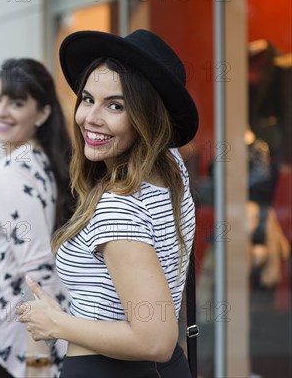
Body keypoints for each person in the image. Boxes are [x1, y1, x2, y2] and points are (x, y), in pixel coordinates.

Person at [16, 29, 198, 377]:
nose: (90, 118)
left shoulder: (118, 207)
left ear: (147, 117)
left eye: (115, 105)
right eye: (87, 99)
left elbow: (156, 338)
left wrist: (55, 323)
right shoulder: (171, 167)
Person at [0, 58, 75, 378]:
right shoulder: (40, 165)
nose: (0, 111)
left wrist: (38, 369)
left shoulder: (14, 171)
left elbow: (36, 277)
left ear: (43, 113)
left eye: (17, 103)